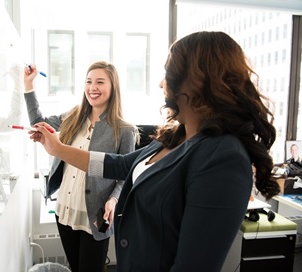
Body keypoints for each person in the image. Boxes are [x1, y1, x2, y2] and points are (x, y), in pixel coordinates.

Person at [30, 31, 279, 271]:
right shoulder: (175, 136)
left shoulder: (223, 157)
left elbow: (192, 267)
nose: (161, 83)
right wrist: (58, 149)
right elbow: (119, 165)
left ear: (197, 80)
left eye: (168, 73)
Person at [22, 62, 136, 272]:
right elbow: (38, 122)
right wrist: (29, 85)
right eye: (89, 81)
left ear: (113, 87)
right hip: (65, 210)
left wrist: (113, 199)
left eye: (100, 82)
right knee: (76, 268)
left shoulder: (124, 130)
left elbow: (125, 175)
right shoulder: (73, 117)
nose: (92, 87)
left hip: (95, 215)